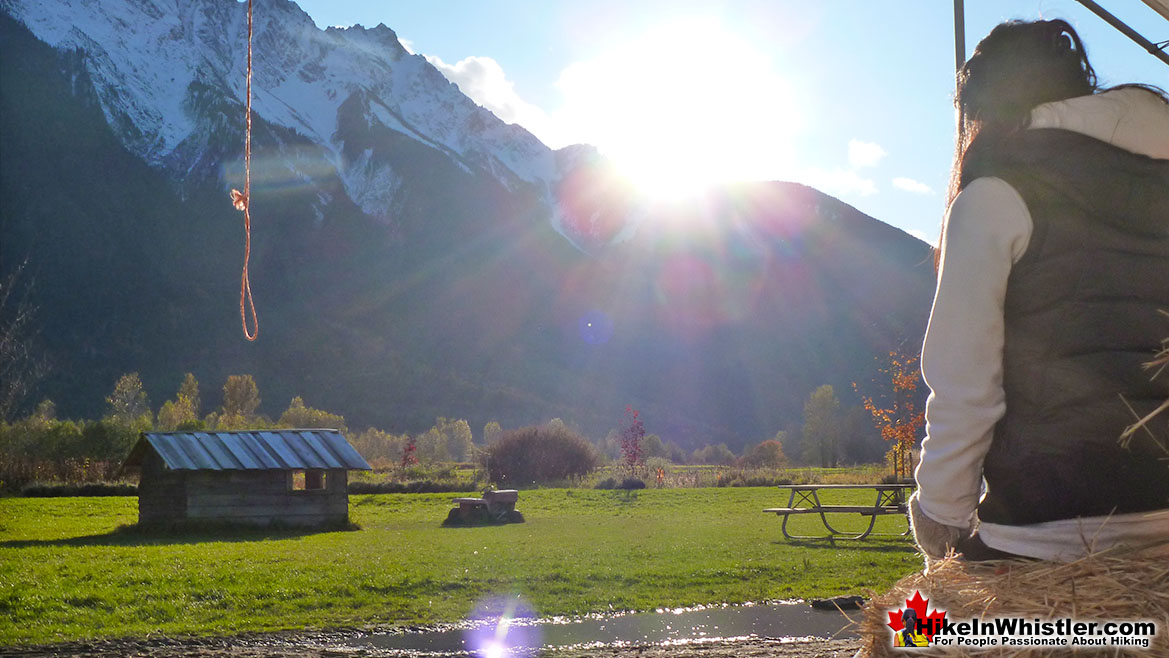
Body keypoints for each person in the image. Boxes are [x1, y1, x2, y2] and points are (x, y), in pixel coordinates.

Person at [909, 19, 1169, 562]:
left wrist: (941, 510)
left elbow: (966, 382)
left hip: (1052, 522)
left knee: (921, 634)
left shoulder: (996, 194)